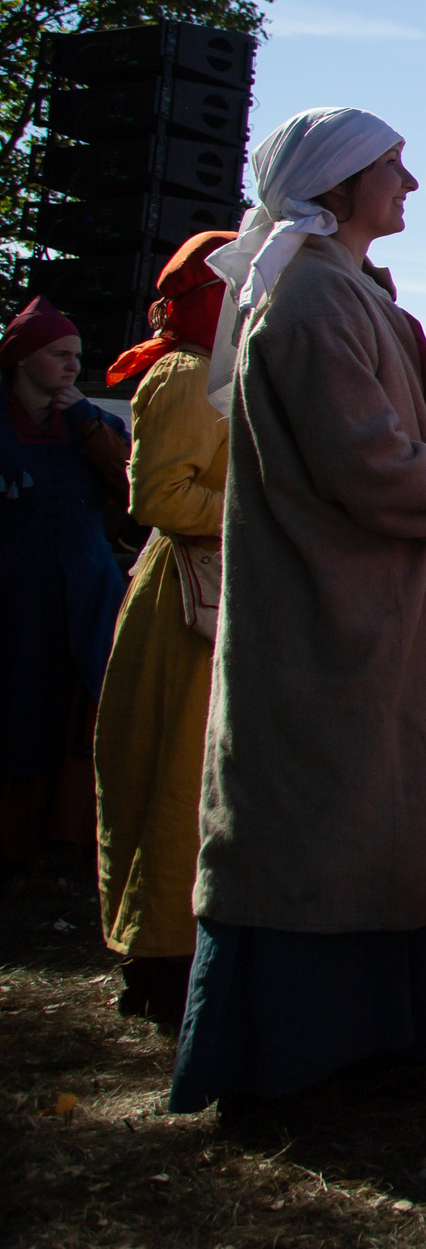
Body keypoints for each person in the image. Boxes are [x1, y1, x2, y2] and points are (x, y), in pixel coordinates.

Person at [176, 107, 426, 1118]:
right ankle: (308, 1049)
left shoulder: (336, 290)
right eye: (392, 169)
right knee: (330, 816)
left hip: (372, 606)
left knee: (371, 816)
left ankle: (381, 1035)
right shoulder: (314, 301)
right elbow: (366, 465)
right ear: (337, 183)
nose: (409, 185)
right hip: (331, 613)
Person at [92, 232, 235, 1030]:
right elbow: (159, 498)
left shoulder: (215, 374)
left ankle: (181, 948)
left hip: (213, 593)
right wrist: (260, 511)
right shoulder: (183, 376)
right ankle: (158, 956)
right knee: (173, 775)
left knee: (200, 778)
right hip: (182, 599)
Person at [1, 295, 130, 878]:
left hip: (84, 591)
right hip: (16, 593)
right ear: (24, 359)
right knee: (18, 710)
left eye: (76, 354)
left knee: (81, 713)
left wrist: (86, 423)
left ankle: (70, 840)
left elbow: (133, 489)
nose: (73, 365)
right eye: (58, 354)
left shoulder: (89, 424)